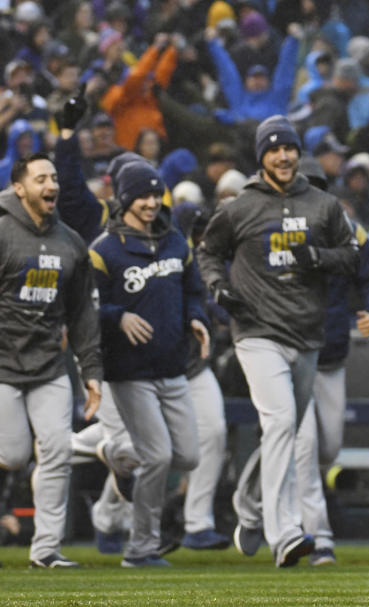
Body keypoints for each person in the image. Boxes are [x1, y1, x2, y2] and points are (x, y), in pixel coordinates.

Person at [197, 115, 360, 568]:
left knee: (283, 431)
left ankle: (249, 505)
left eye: (289, 148)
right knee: (283, 421)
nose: (283, 156)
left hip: (307, 334)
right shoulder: (240, 207)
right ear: (261, 157)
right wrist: (218, 287)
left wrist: (319, 257)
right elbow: (208, 252)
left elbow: (352, 257)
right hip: (256, 331)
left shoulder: (324, 205)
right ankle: (284, 532)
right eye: (273, 150)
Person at [89, 161, 210, 567]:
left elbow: (193, 291)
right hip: (129, 371)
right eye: (142, 195)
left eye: (156, 195)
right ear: (124, 199)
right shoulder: (103, 250)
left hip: (172, 366)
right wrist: (117, 316)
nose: (151, 203)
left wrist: (197, 318)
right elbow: (85, 307)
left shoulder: (175, 241)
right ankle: (141, 548)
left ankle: (118, 455)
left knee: (188, 456)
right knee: (157, 457)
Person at [0, 152, 102, 568]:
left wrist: (91, 371)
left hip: (48, 366)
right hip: (2, 366)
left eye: (54, 178)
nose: (51, 185)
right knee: (13, 456)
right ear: (18, 188)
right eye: (41, 179)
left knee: (58, 451)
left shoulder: (70, 242)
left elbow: (82, 313)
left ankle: (45, 550)